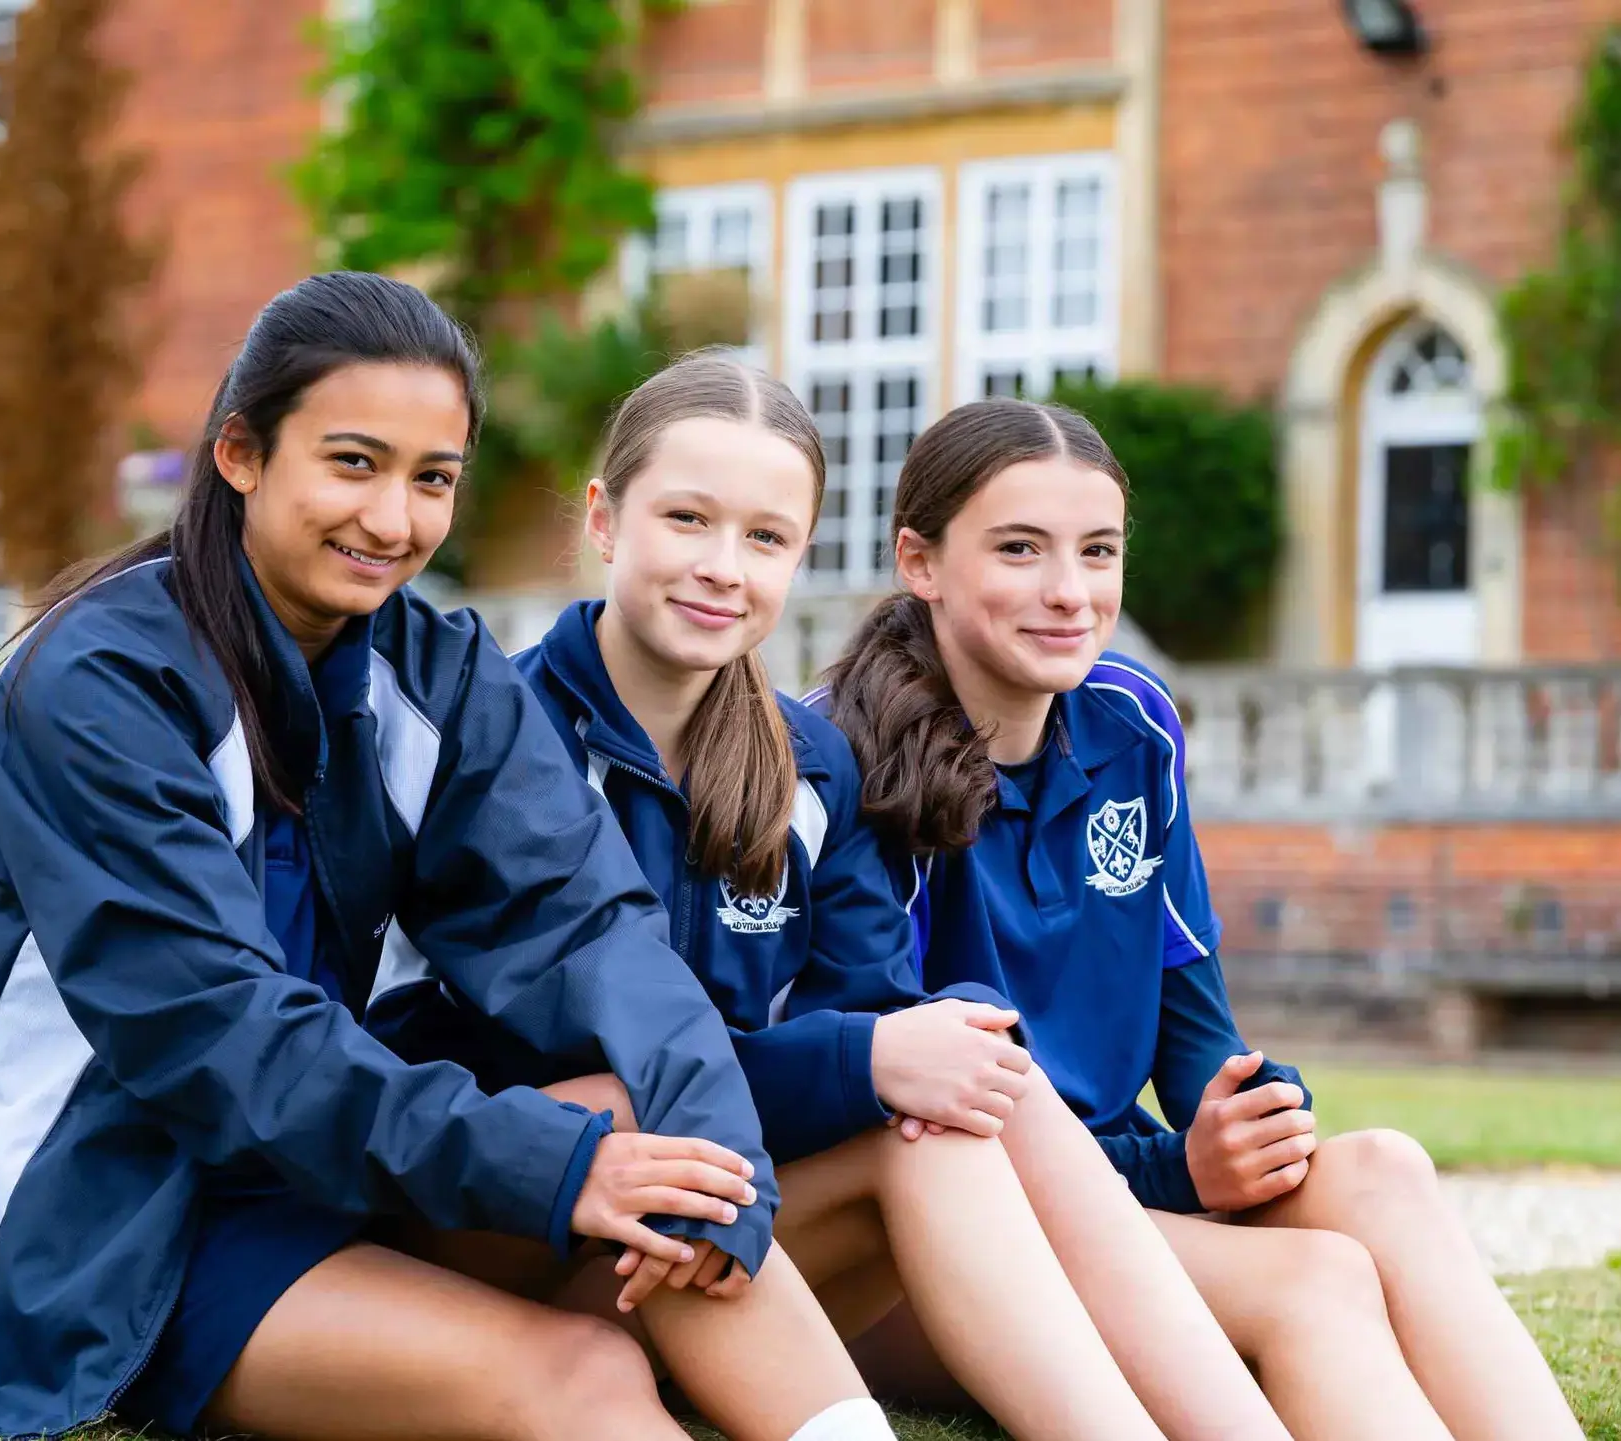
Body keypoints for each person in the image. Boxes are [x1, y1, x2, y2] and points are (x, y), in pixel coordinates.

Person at [0, 274, 897, 1441]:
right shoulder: (95, 684)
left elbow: (586, 928)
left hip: (335, 1175)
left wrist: (723, 1151)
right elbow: (219, 1034)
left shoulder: (438, 672)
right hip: (113, 1214)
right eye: (352, 463)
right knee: (578, 1372)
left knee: (673, 1139)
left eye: (431, 479)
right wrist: (556, 1166)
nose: (393, 521)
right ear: (240, 451)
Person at [501, 351, 1297, 1441]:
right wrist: (862, 1061)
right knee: (863, 1082)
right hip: (534, 1224)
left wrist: (882, 1055)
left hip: (728, 1218)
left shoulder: (809, 765)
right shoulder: (499, 739)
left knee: (968, 1078)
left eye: (765, 537)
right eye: (688, 519)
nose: (723, 567)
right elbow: (531, 1059)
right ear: (604, 518)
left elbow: (867, 1022)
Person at [819, 396, 1585, 1441]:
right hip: (932, 1249)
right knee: (1314, 1282)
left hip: (1113, 1201)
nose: (1069, 593)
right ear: (922, 561)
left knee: (1385, 1167)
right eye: (1019, 549)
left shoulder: (1130, 721)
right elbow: (928, 1123)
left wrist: (1249, 1116)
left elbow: (1195, 1036)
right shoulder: (843, 763)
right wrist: (1183, 1169)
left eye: (1097, 551)